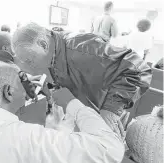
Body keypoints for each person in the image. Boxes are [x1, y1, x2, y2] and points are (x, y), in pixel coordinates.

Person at [0, 61, 125, 163]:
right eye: (23, 83)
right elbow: (110, 149)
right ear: (8, 92)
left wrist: (54, 130)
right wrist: (72, 103)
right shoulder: (19, 136)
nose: (27, 89)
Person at [12, 22, 152, 141]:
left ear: (43, 44)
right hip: (86, 117)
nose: (30, 67)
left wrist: (111, 110)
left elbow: (139, 69)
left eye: (30, 61)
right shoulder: (52, 53)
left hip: (105, 115)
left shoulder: (81, 49)